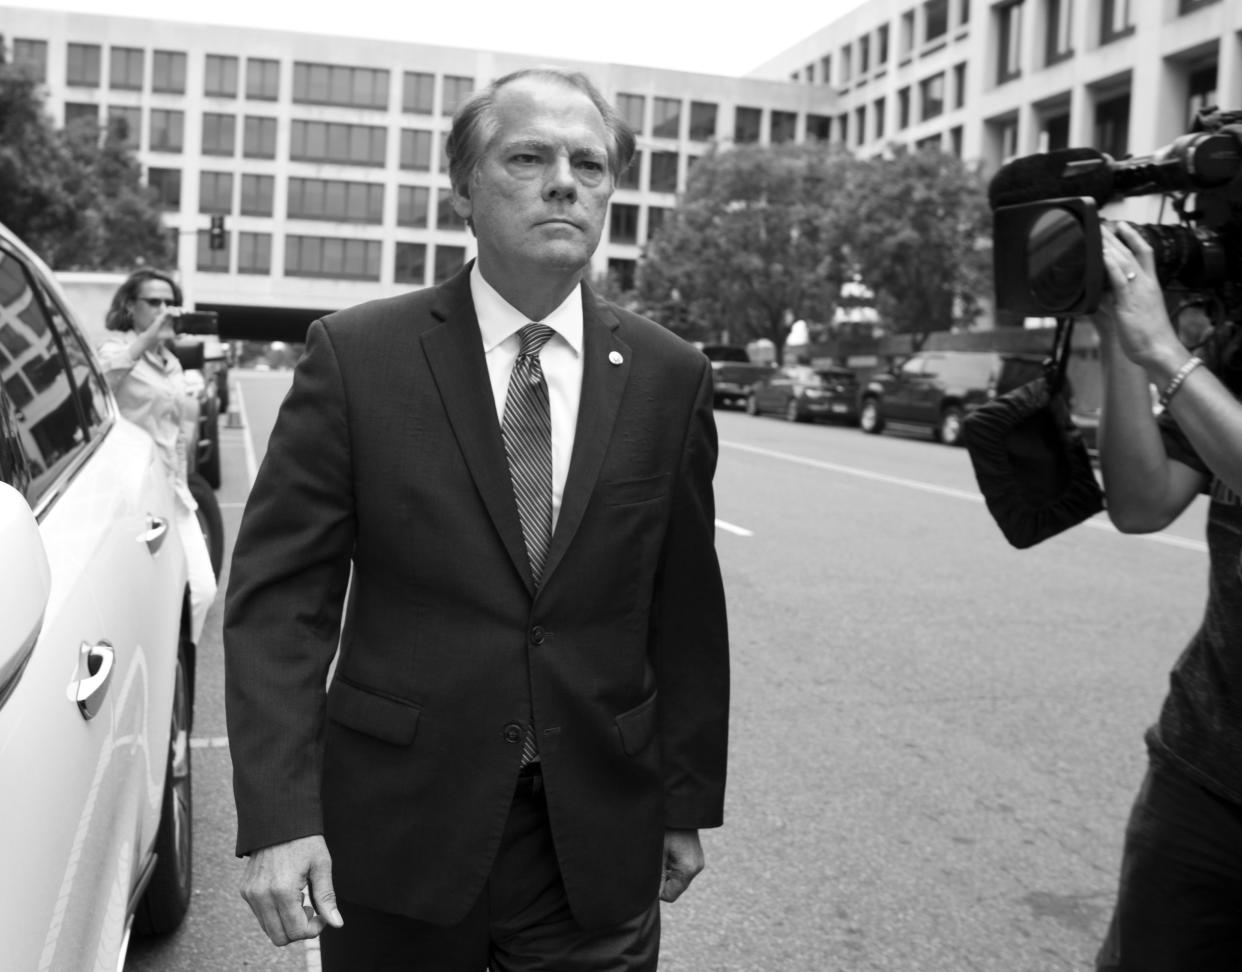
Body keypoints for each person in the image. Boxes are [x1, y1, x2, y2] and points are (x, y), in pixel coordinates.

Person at [223, 66, 730, 971]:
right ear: (463, 188)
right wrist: (280, 816)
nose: (565, 181)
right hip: (400, 831)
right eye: (528, 157)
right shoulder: (358, 357)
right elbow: (281, 603)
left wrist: (683, 800)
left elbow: (684, 609)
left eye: (590, 162)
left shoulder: (671, 376)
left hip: (591, 837)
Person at [1093, 221, 1242, 971]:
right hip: (1206, 760)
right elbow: (1142, 502)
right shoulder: (1236, 348)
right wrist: (1121, 335)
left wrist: (1163, 352)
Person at [98, 268, 218, 645]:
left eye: (170, 303)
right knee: (136, 602)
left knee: (202, 589)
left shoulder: (173, 363)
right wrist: (149, 338)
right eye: (154, 302)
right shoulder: (116, 349)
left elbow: (176, 434)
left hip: (175, 492)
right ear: (131, 307)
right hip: (136, 501)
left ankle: (178, 663)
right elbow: (99, 382)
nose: (164, 309)